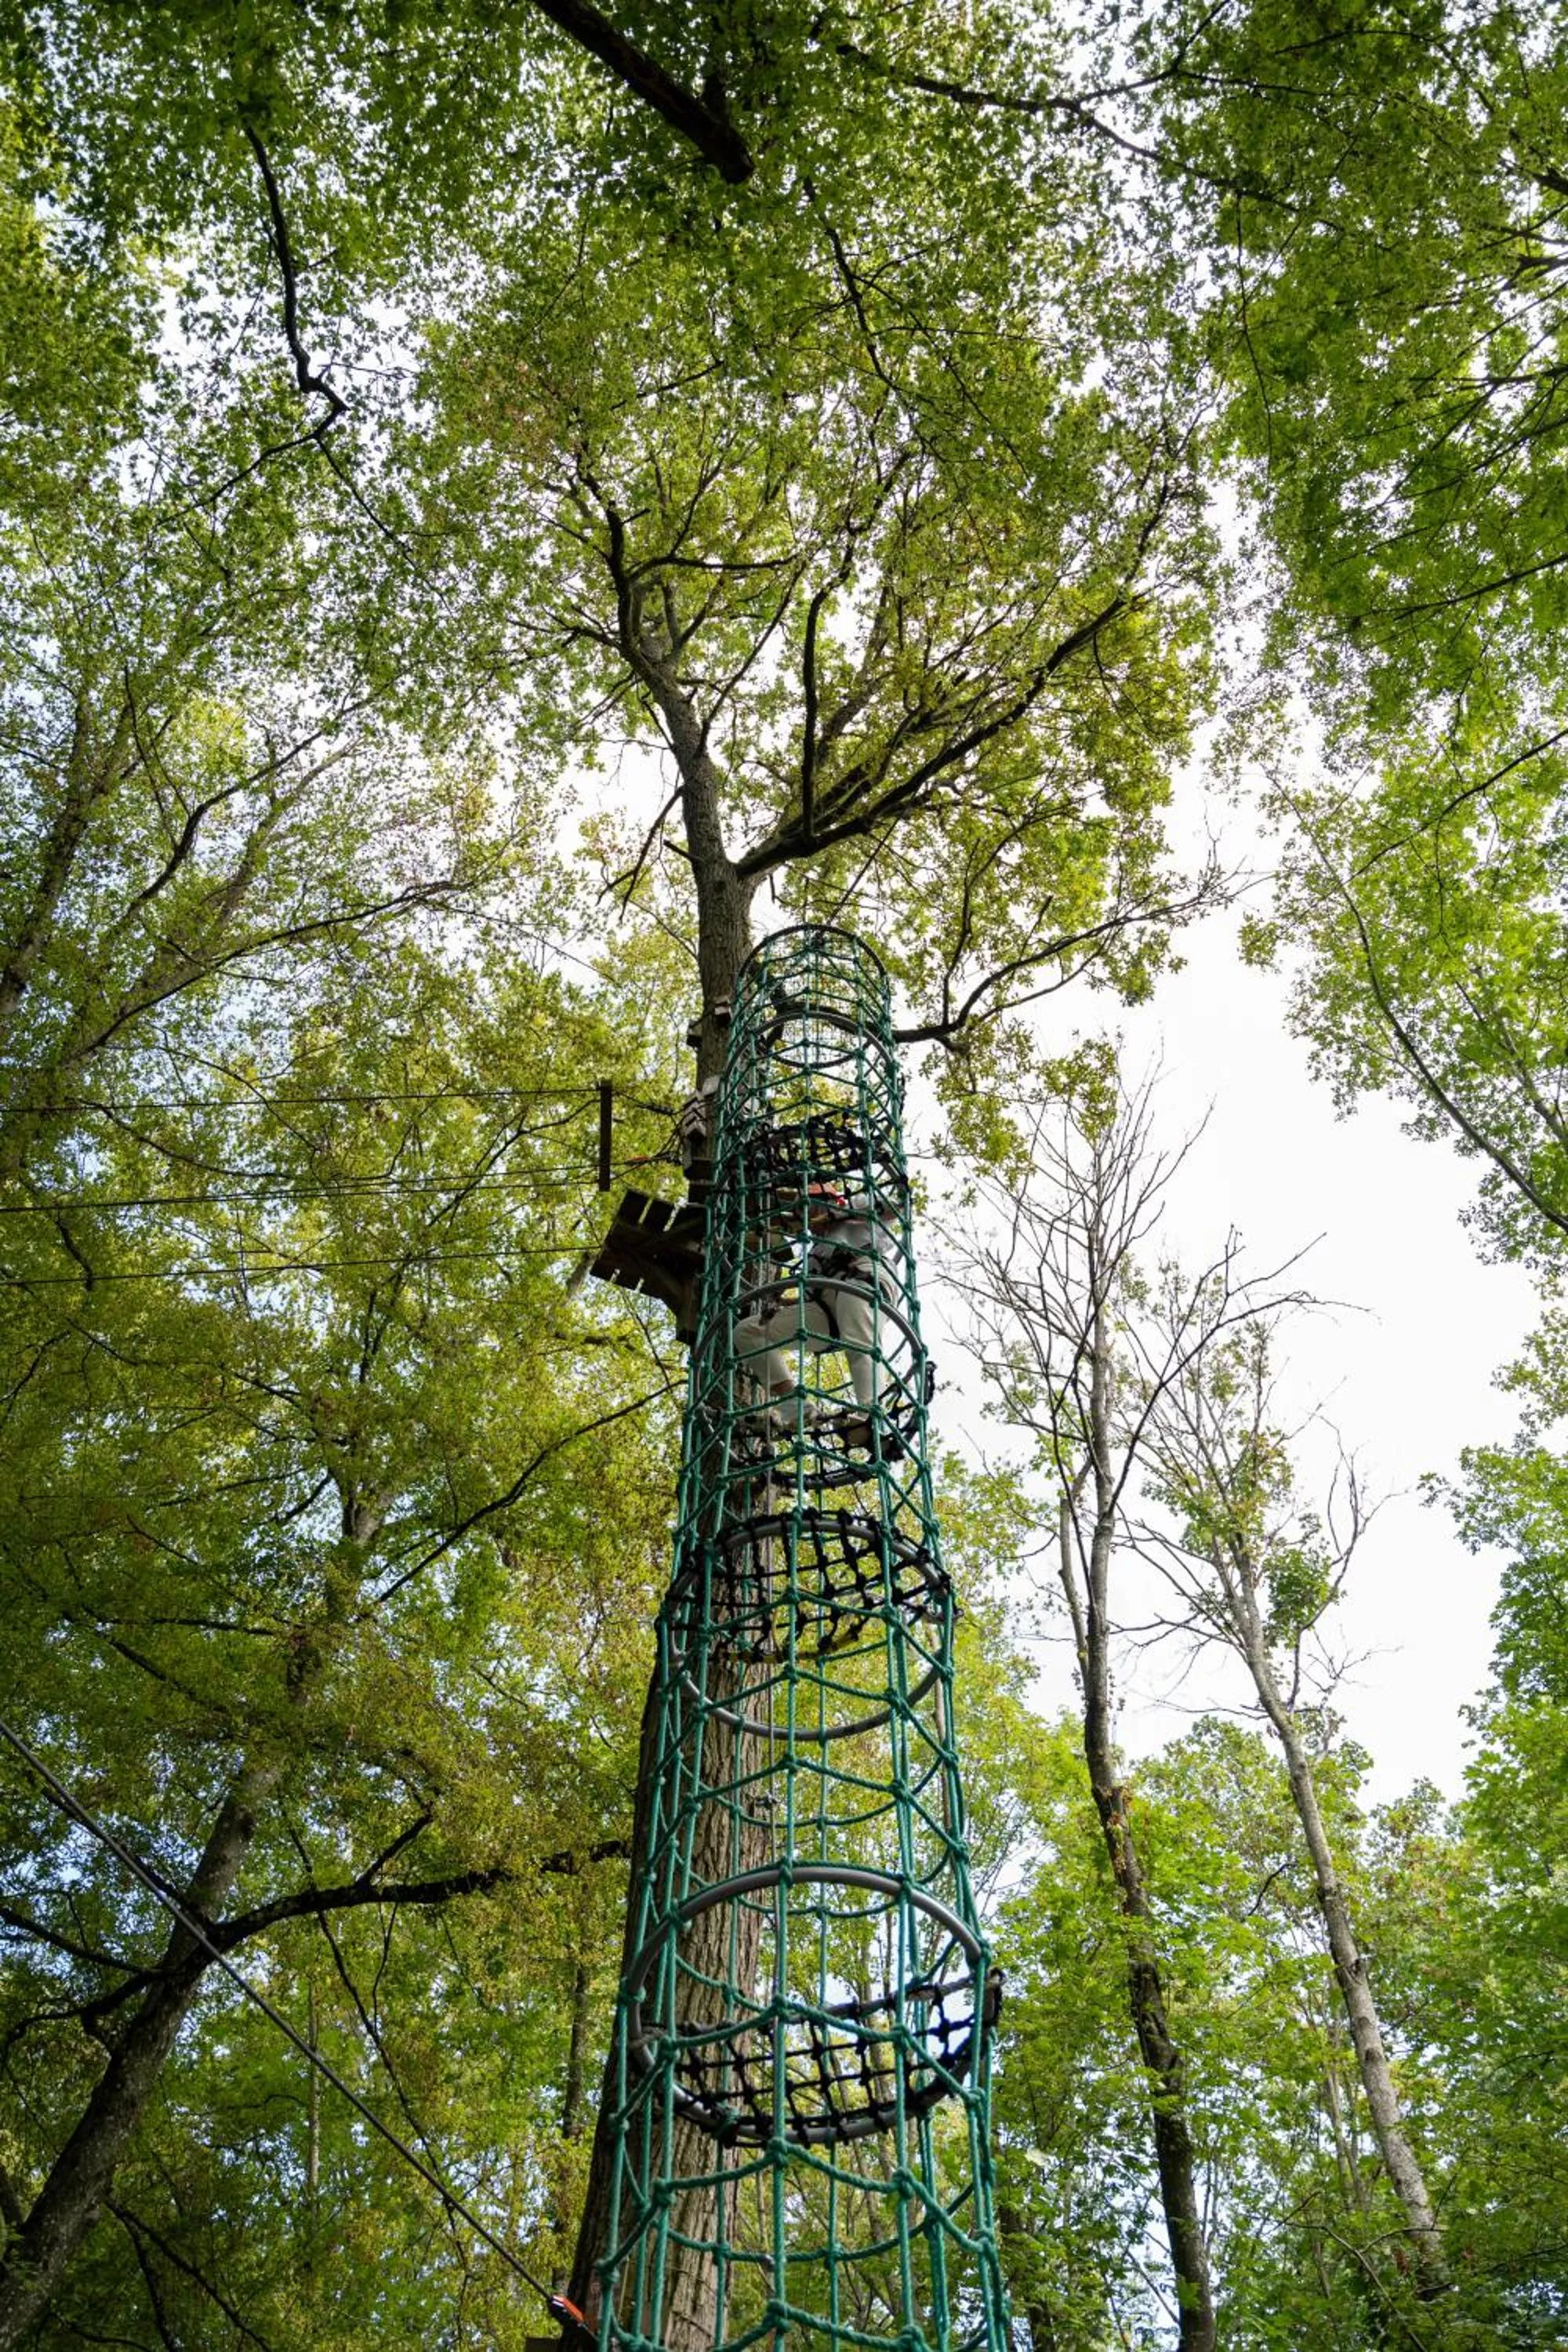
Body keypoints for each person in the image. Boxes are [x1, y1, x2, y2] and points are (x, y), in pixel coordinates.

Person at [733, 1183, 900, 1421]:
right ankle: (794, 1407)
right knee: (748, 1331)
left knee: (857, 1328)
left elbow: (898, 1206)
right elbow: (813, 1298)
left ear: (832, 1201)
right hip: (828, 1309)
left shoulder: (860, 1211)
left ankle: (870, 1413)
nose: (809, 1218)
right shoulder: (815, 1253)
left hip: (865, 1278)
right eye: (805, 1214)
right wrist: (786, 1302)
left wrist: (837, 1214)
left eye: (812, 1208)